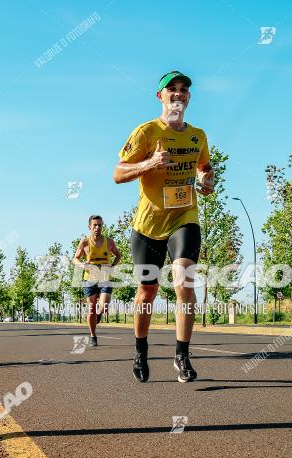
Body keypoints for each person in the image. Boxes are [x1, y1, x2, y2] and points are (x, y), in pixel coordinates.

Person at [112, 70, 214, 383]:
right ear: (161, 96)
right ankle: (140, 350)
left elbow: (205, 167)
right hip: (147, 226)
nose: (179, 94)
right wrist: (150, 164)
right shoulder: (146, 132)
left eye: (184, 90)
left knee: (184, 283)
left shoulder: (198, 135)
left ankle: (182, 355)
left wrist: (207, 180)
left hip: (184, 218)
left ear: (189, 97)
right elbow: (118, 173)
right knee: (147, 291)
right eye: (172, 89)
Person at [72, 215, 120, 346]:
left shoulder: (109, 242)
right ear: (89, 227)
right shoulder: (85, 242)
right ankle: (93, 336)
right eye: (95, 225)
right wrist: (83, 265)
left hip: (105, 277)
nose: (97, 227)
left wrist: (112, 266)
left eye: (100, 225)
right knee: (92, 308)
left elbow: (118, 254)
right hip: (90, 279)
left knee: (104, 306)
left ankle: (99, 315)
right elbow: (75, 259)